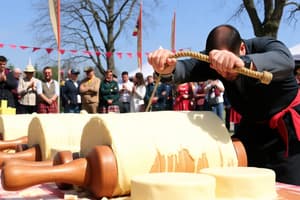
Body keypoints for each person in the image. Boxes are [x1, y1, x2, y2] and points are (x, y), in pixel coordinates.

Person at [148, 24, 300, 185]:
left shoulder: (266, 46)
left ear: (242, 48)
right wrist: (166, 67)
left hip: (286, 133)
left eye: (227, 69)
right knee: (240, 185)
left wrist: (243, 63)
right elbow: (184, 68)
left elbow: (285, 61)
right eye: (219, 69)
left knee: (287, 187)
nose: (223, 73)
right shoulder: (214, 61)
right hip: (250, 130)